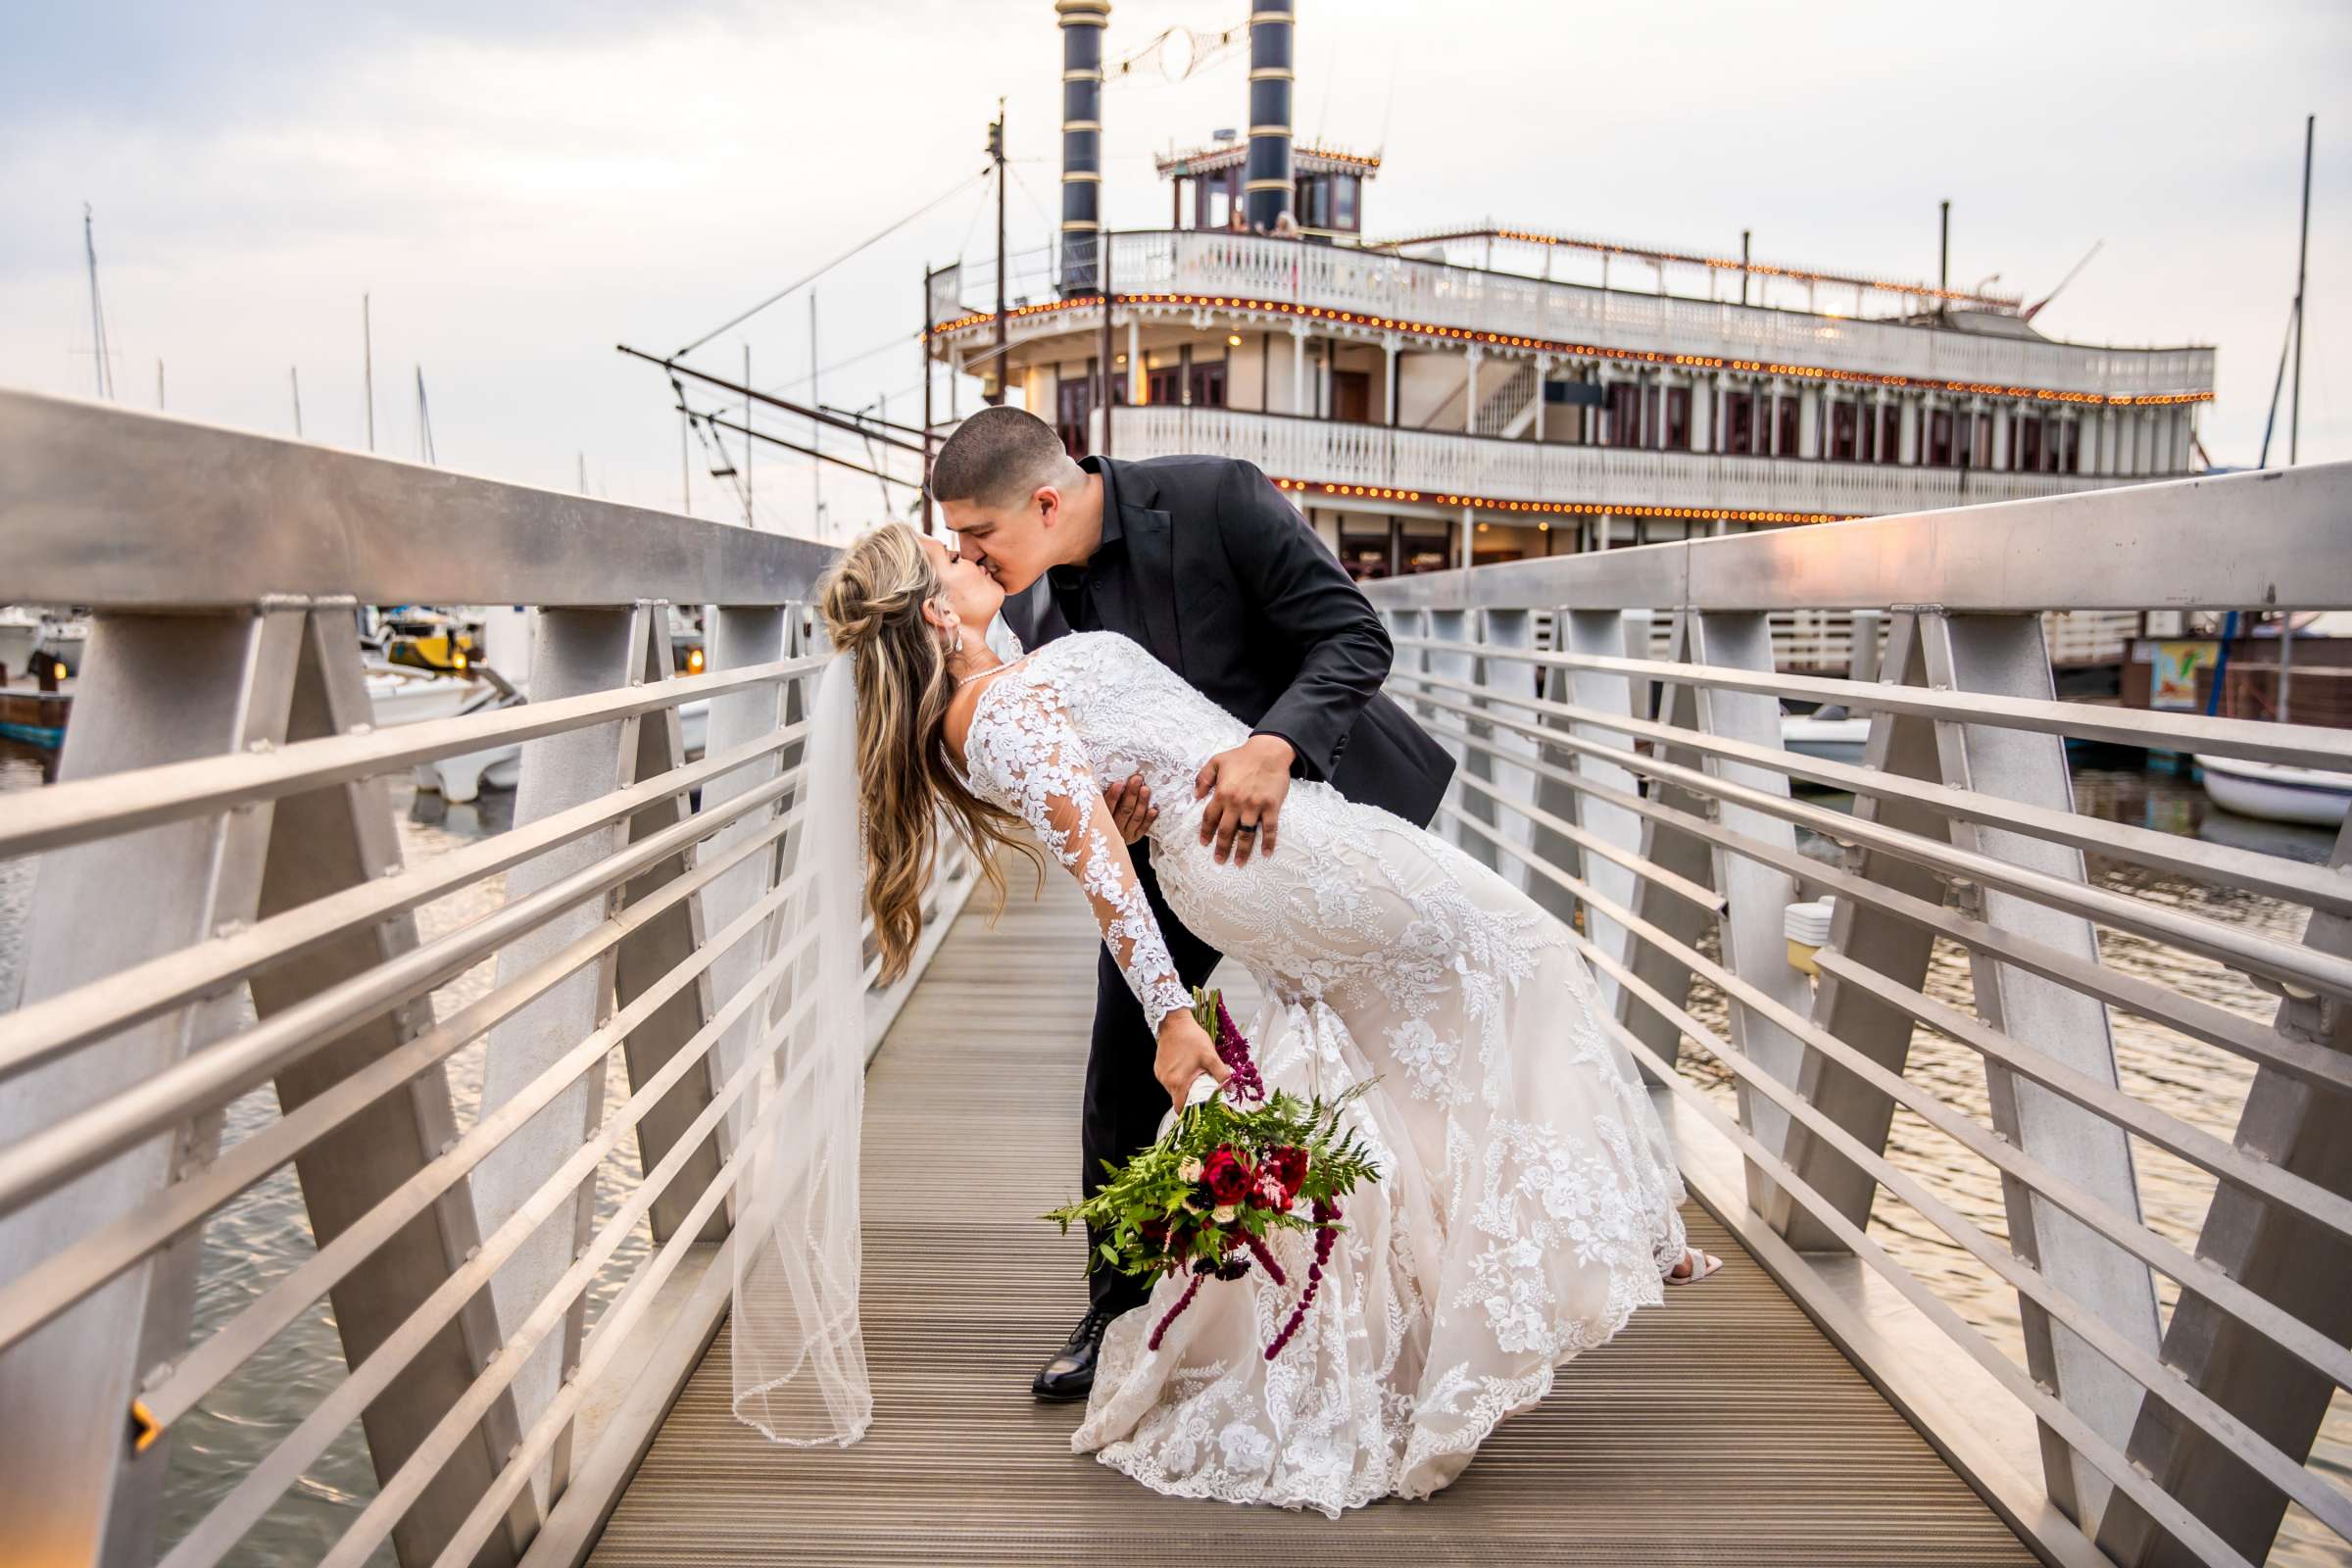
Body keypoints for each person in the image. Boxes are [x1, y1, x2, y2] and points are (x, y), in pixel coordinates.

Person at [795, 519, 1718, 1514]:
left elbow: (1099, 792)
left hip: (1251, 849)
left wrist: (1118, 795)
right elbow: (1100, 867)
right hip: (1271, 855)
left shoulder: (993, 690)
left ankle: (1510, 1281)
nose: (965, 550)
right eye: (946, 557)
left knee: (1394, 1047)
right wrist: (1171, 1016)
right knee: (1526, 947)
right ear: (935, 609)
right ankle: (1587, 1242)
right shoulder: (998, 709)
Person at [930, 406, 1454, 1402]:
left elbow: (1354, 636)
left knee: (1403, 1045)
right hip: (1189, 850)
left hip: (1322, 820)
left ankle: (1461, 1264)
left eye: (977, 536)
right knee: (1122, 1055)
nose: (968, 558)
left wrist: (1276, 743)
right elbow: (1094, 763)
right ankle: (1116, 1307)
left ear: (1044, 501)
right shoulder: (1038, 607)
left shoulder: (1218, 495)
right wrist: (1120, 819)